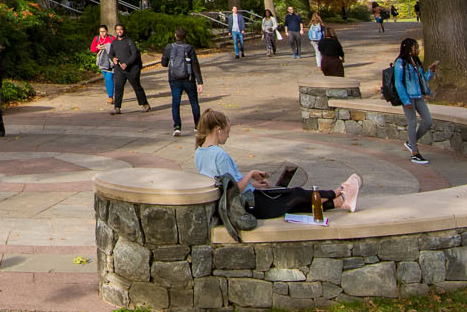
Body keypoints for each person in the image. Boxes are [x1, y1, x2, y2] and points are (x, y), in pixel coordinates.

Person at [193, 109, 361, 219]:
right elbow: (235, 188)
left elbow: (227, 184)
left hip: (246, 200)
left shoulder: (199, 152)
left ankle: (342, 201)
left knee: (294, 203)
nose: (228, 136)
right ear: (218, 130)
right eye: (227, 132)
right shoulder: (219, 155)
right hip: (251, 204)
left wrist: (254, 185)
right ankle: (341, 190)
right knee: (296, 194)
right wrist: (251, 174)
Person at [146, 28, 203, 136]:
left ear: (175, 36)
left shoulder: (169, 47)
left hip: (174, 79)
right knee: (194, 102)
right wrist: (200, 82)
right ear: (185, 37)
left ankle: (177, 127)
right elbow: (195, 65)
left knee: (176, 103)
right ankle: (197, 125)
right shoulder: (189, 48)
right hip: (189, 79)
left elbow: (164, 63)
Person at [390, 39, 437, 165]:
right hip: (408, 97)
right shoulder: (400, 63)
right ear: (408, 49)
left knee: (428, 121)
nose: (417, 50)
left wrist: (431, 71)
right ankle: (414, 153)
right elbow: (398, 83)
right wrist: (405, 100)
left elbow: (423, 79)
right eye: (415, 47)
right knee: (412, 122)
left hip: (418, 96)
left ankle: (411, 142)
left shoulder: (416, 62)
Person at [106, 24, 150, 115]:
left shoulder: (129, 41)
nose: (119, 31)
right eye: (117, 30)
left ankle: (145, 104)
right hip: (119, 69)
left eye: (121, 29)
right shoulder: (114, 42)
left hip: (131, 68)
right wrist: (113, 59)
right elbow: (110, 54)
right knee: (118, 87)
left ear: (124, 30)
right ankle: (117, 107)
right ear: (115, 31)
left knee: (136, 86)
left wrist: (127, 63)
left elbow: (134, 54)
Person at [92, 26, 118, 106]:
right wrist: (98, 47)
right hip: (102, 62)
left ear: (106, 31)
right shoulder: (97, 38)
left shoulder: (111, 38)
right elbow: (92, 49)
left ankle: (110, 97)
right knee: (107, 79)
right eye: (101, 32)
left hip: (110, 62)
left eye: (104, 31)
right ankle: (110, 94)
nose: (102, 33)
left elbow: (116, 48)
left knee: (108, 78)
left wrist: (107, 47)